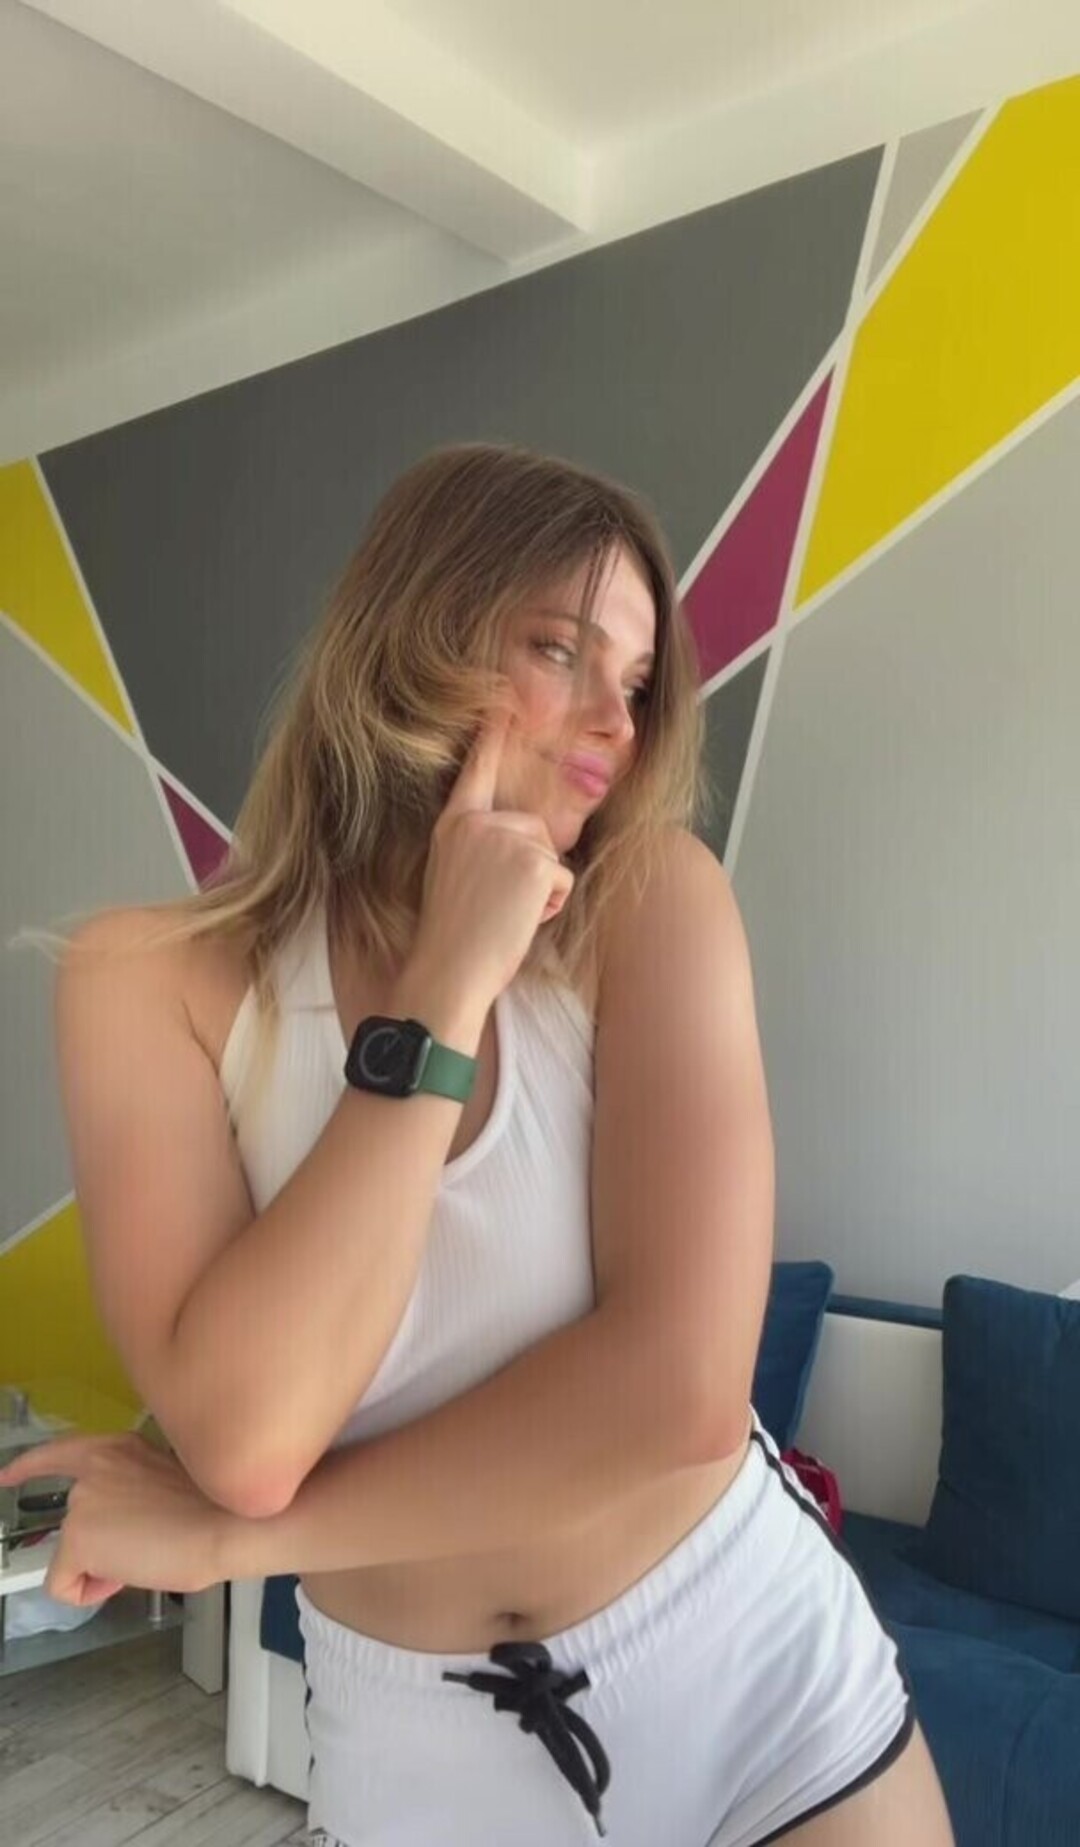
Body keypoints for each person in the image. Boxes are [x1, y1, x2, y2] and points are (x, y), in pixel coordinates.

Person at [1, 446, 954, 1846]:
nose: (614, 720)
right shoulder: (147, 982)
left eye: (637, 682)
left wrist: (237, 1543)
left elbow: (682, 1392)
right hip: (419, 1759)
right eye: (561, 650)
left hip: (756, 1682)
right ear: (414, 635)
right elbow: (250, 1438)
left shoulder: (657, 903)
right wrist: (447, 983)